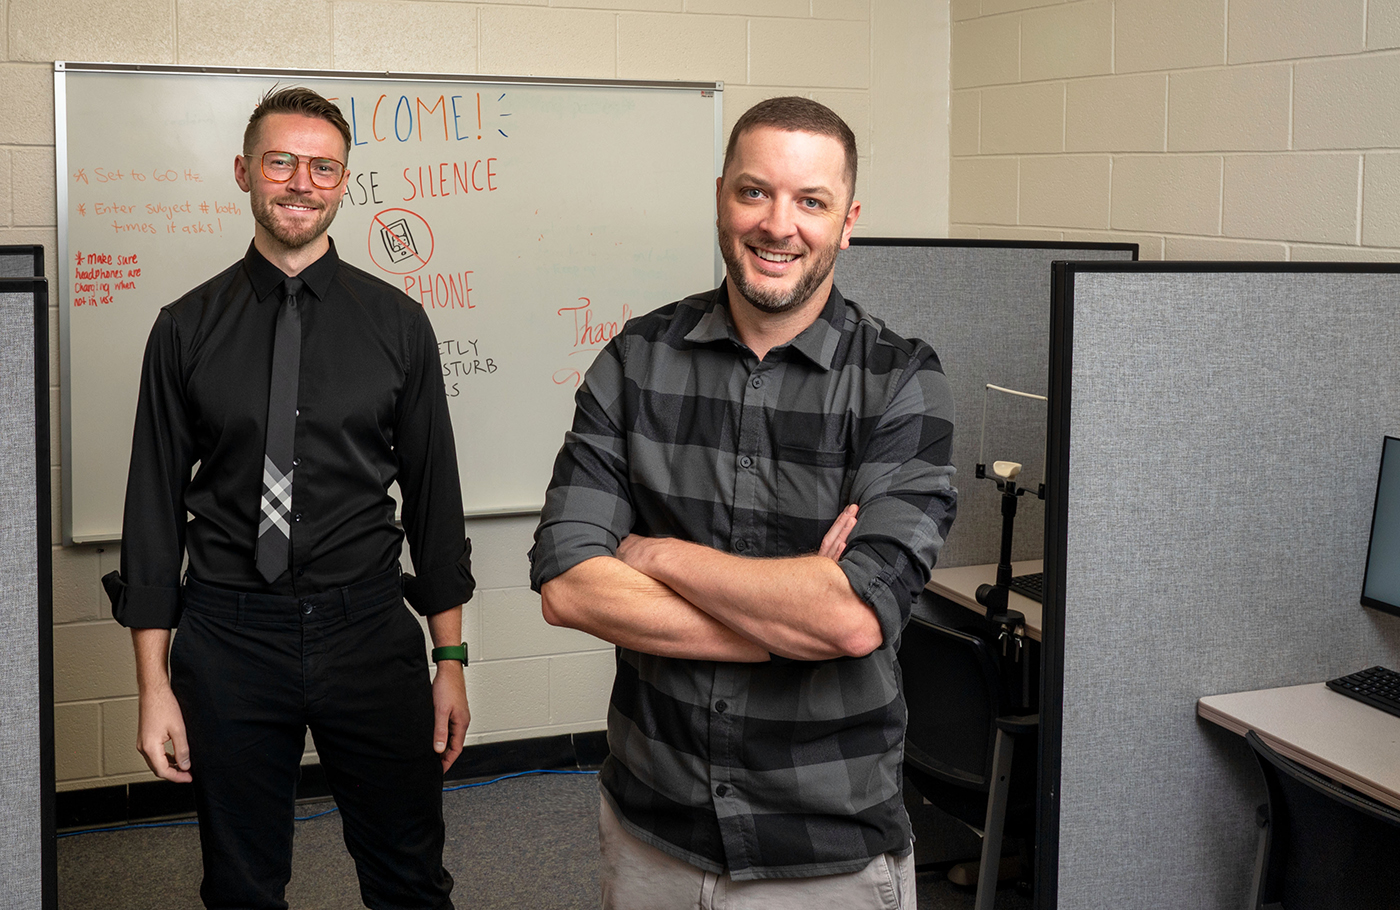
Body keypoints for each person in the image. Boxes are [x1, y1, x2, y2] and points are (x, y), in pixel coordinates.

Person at [529, 96, 957, 909]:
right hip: (653, 827)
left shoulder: (901, 381)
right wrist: (787, 620)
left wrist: (656, 554)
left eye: (811, 201)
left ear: (847, 220)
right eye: (755, 192)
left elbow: (850, 620)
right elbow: (567, 582)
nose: (778, 225)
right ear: (721, 195)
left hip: (824, 849)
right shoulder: (636, 360)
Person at [102, 86, 472, 910]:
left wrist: (449, 662)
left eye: (323, 167)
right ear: (243, 172)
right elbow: (153, 516)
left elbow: (435, 500)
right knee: (240, 887)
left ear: (345, 182)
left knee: (409, 877)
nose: (301, 182)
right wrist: (153, 684)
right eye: (281, 162)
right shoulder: (185, 328)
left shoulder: (400, 324)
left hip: (369, 631)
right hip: (231, 637)